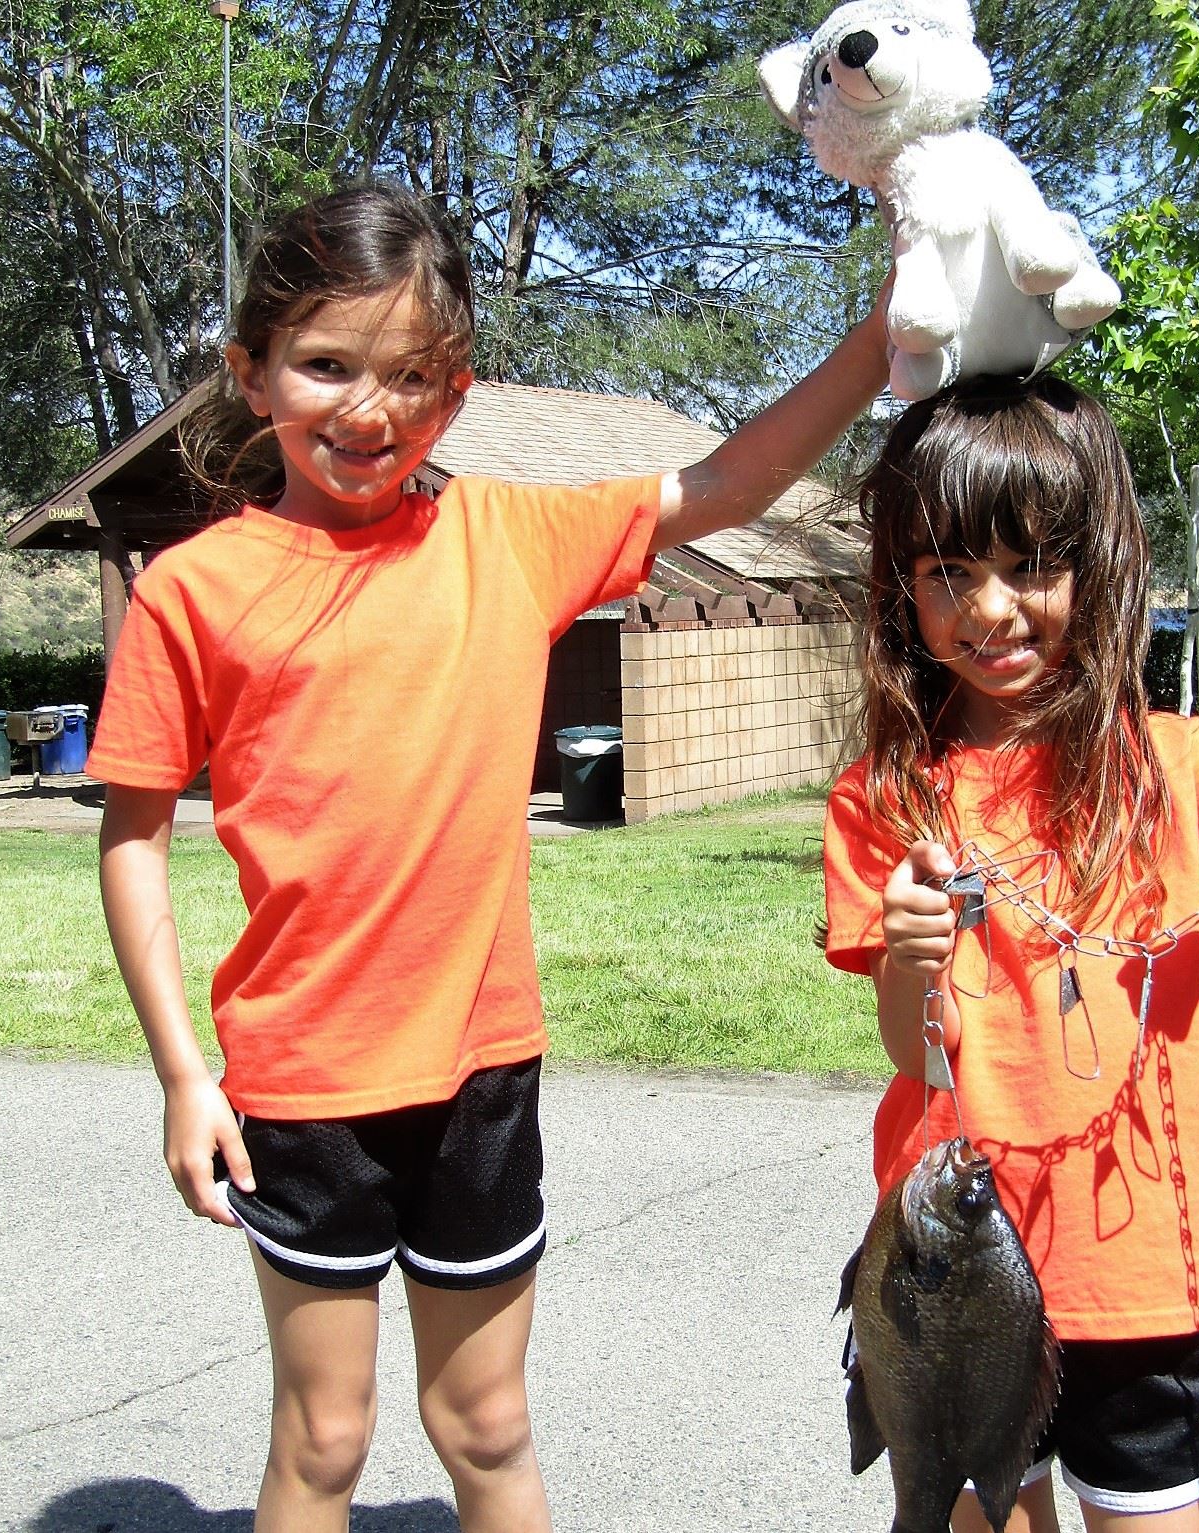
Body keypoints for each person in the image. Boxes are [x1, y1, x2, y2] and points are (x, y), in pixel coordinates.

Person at [92, 182, 889, 1533]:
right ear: (251, 371)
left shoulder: (508, 540)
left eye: (412, 376)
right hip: (300, 1088)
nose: (369, 410)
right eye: (326, 365)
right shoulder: (191, 591)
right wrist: (182, 1075)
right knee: (324, 1440)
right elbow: (134, 840)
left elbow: (732, 483)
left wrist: (879, 334)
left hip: (479, 1073)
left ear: (455, 393)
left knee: (489, 1424)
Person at [821, 373, 1199, 1533]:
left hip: (1135, 1272)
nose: (992, 609)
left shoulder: (1176, 768)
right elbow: (916, 1051)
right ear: (903, 588)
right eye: (949, 573)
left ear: (1095, 567)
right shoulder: (881, 797)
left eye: (1031, 564)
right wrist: (910, 953)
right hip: (947, 1273)